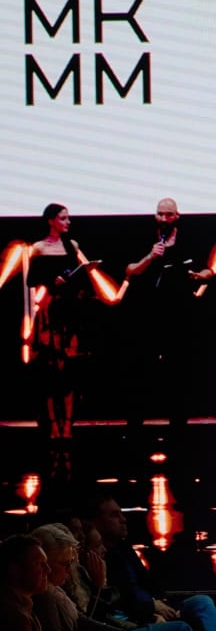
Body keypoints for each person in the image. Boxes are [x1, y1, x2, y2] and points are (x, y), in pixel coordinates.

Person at [122, 196, 215, 452]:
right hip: (148, 315)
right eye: (159, 214)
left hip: (180, 315)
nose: (163, 218)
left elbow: (208, 270)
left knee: (179, 373)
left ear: (177, 216)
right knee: (142, 371)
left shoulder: (190, 239)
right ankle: (134, 428)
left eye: (168, 214)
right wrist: (150, 256)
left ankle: (178, 429)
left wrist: (199, 275)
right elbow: (130, 270)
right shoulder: (145, 238)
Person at [88, 494, 216, 631]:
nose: (123, 520)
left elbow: (148, 581)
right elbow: (118, 606)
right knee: (181, 629)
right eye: (114, 515)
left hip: (149, 609)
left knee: (202, 602)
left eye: (121, 513)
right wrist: (151, 612)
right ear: (96, 522)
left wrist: (162, 602)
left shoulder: (123, 547)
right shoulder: (96, 561)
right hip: (133, 625)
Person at [27, 203, 93, 483]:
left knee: (70, 375)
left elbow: (82, 277)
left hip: (70, 312)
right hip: (50, 313)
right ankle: (54, 427)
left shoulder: (71, 244)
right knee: (51, 373)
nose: (68, 222)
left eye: (68, 218)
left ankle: (67, 427)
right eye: (64, 218)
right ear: (51, 221)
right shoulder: (39, 248)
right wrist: (52, 280)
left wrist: (76, 278)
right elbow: (31, 280)